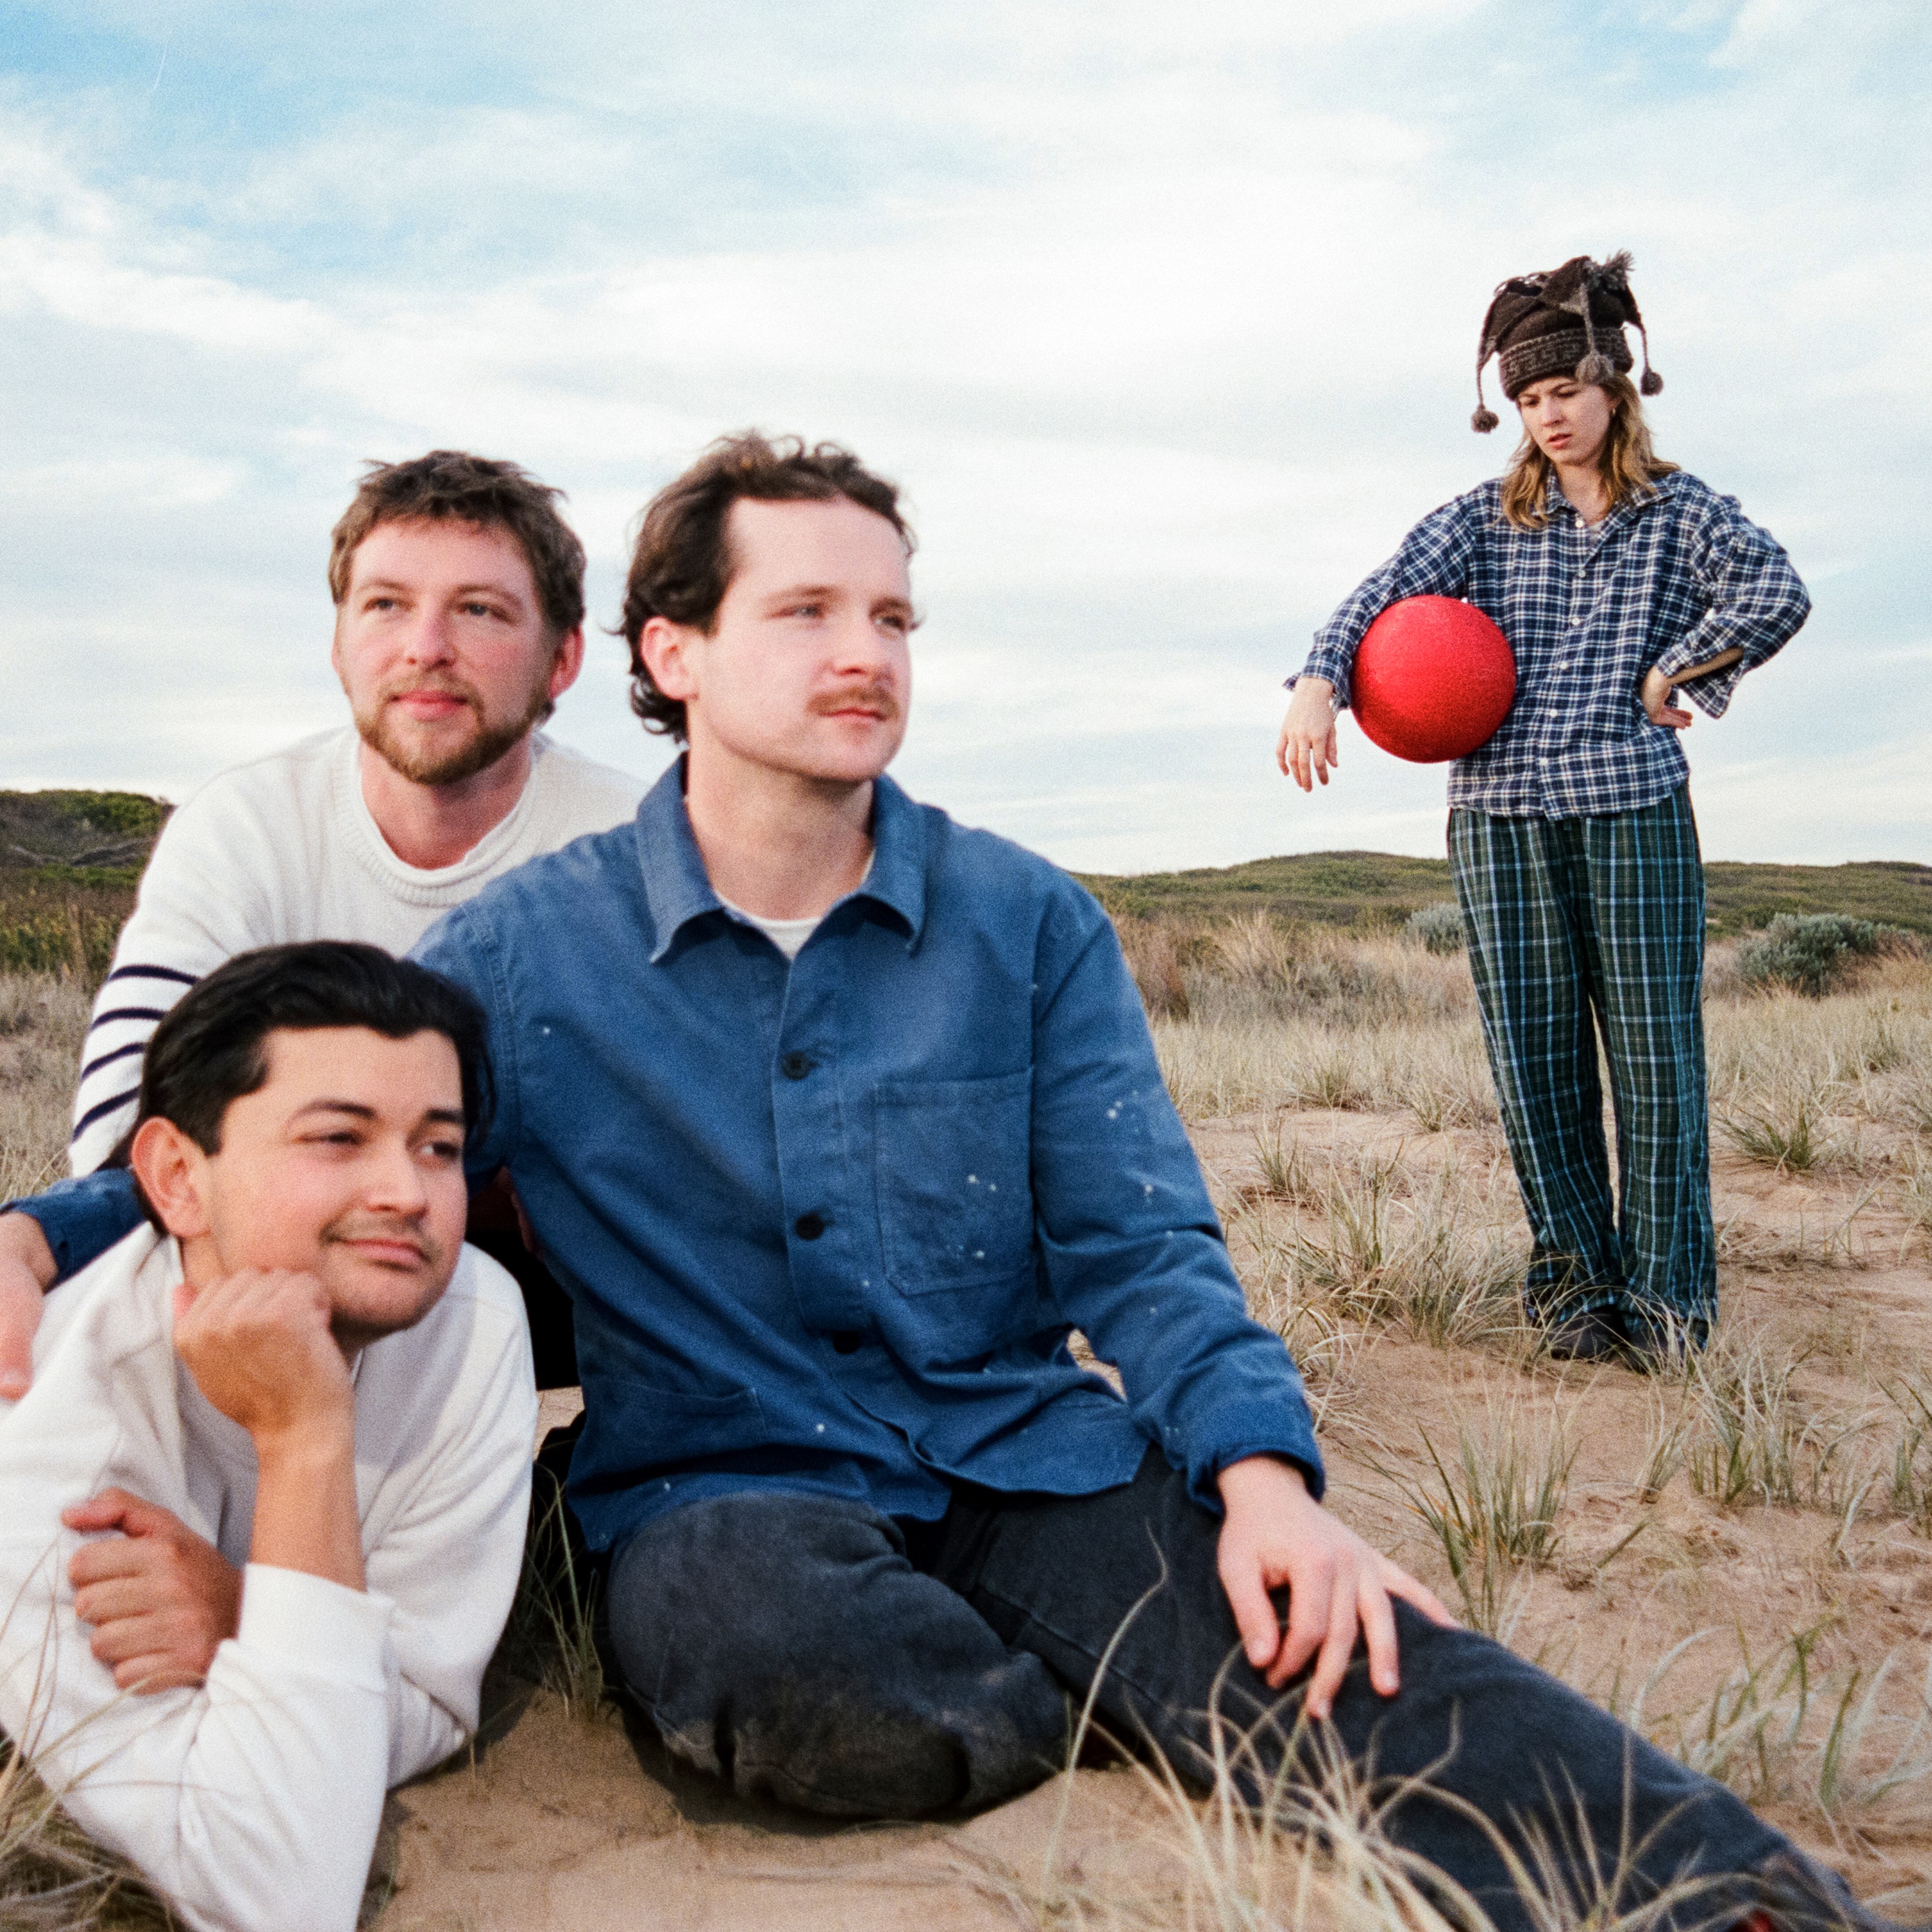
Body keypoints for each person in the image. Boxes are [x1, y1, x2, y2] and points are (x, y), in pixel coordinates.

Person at [405, 432, 1873, 1932]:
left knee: (1325, 1635)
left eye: (895, 619)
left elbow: (1145, 1245)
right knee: (782, 1664)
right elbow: (290, 1159)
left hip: (1017, 1450)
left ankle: (1744, 1902)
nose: (868, 653)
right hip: (724, 1485)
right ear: (676, 651)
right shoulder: (525, 956)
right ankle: (1059, 1683)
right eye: (807, 613)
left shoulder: (1024, 922)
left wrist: (1262, 1484)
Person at [0, 450, 644, 1397]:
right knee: (92, 1272)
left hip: (586, 1293)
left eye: (480, 610)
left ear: (564, 659)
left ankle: (592, 1507)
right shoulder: (247, 824)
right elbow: (127, 1127)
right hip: (296, 1252)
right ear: (339, 643)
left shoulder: (638, 842)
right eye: (385, 604)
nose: (426, 645)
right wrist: (37, 1230)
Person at [1276, 251, 1810, 1365]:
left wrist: (1684, 672)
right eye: (1527, 399)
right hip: (1501, 820)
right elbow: (1377, 597)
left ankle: (1668, 1309)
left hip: (1631, 810)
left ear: (1613, 386)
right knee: (1535, 1062)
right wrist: (1323, 683)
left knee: (1658, 1062)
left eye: (1565, 390)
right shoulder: (1483, 519)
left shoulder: (1680, 514)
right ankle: (1578, 1298)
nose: (1548, 416)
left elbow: (1776, 589)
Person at [0, 942, 536, 1932]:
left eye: (439, 1147)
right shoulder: (52, 1443)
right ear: (175, 1176)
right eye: (338, 1138)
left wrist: (244, 1612)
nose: (408, 1194)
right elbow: (279, 1888)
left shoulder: (472, 1320)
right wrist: (303, 1441)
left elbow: (433, 1700)